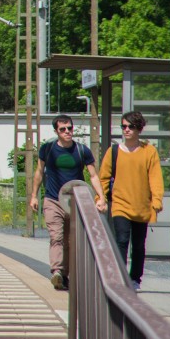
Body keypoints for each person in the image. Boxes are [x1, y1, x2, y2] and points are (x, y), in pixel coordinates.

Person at [30, 114, 107, 291]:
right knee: (56, 236)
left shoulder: (82, 150)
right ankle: (57, 271)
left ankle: (65, 275)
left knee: (70, 240)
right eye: (63, 129)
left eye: (70, 128)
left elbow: (93, 176)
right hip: (53, 200)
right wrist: (34, 195)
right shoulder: (47, 149)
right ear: (56, 131)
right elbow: (39, 172)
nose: (67, 132)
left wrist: (101, 197)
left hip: (75, 202)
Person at [99, 110, 164, 291]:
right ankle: (120, 277)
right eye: (124, 126)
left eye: (131, 127)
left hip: (142, 206)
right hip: (120, 204)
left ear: (139, 129)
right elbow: (103, 177)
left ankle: (135, 279)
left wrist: (157, 200)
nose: (126, 130)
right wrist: (101, 198)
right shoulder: (113, 152)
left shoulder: (149, 151)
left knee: (138, 246)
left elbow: (155, 178)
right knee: (121, 240)